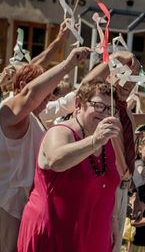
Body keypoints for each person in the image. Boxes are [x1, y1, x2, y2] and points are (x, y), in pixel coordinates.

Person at [81, 50, 145, 252]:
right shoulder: (104, 108)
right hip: (103, 182)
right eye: (125, 76)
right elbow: (85, 87)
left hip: (122, 185)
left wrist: (133, 193)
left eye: (134, 79)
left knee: (113, 241)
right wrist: (114, 58)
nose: (129, 84)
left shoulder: (127, 112)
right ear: (111, 75)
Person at [0, 47, 90, 252]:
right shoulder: (7, 113)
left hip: (24, 206)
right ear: (23, 86)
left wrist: (109, 68)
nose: (49, 99)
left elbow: (72, 99)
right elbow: (30, 95)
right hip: (5, 206)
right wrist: (68, 64)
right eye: (46, 93)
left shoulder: (35, 116)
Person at [17, 81, 122, 252]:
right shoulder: (60, 132)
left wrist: (114, 221)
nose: (105, 114)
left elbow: (110, 185)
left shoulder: (106, 141)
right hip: (55, 233)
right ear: (79, 104)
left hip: (93, 235)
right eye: (99, 106)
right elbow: (56, 161)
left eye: (111, 109)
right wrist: (95, 141)